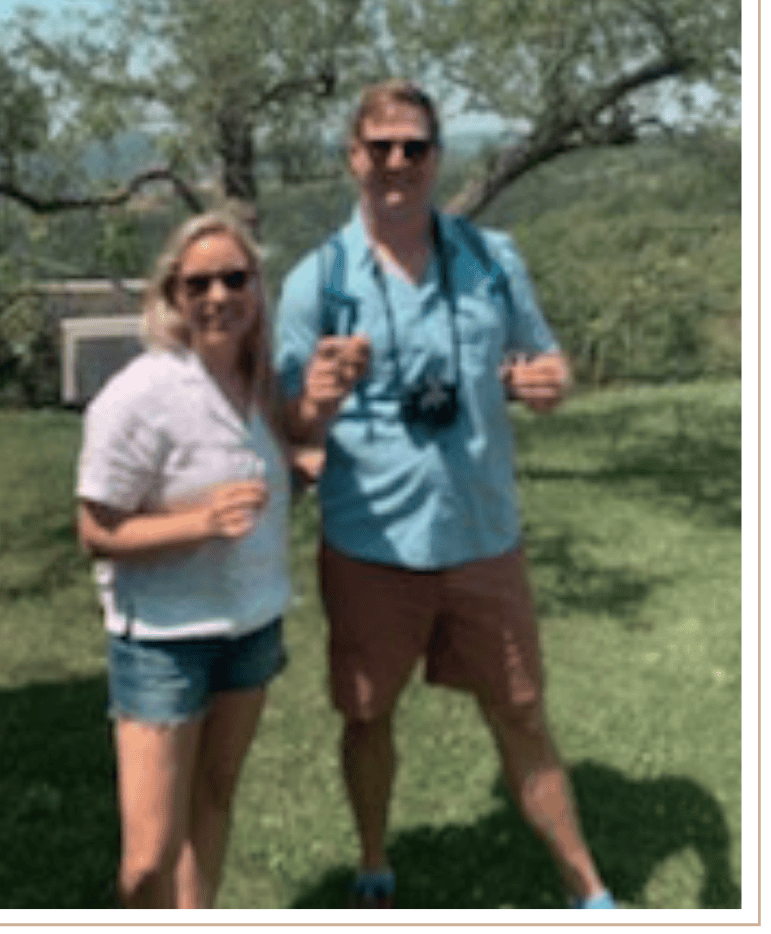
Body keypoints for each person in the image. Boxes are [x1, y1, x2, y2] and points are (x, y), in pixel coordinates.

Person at [276, 79, 619, 912]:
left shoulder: (493, 260)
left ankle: (589, 891)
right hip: (371, 546)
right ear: (353, 157)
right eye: (381, 147)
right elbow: (286, 424)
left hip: (483, 537)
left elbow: (545, 358)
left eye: (415, 147)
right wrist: (315, 400)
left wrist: (553, 382)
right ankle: (373, 862)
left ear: (437, 158)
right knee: (367, 715)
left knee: (523, 714)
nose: (397, 162)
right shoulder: (316, 282)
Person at [75, 209, 295, 910]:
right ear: (172, 295)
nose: (218, 296)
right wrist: (200, 522)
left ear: (256, 286)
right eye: (198, 283)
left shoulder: (263, 384)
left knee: (214, 802)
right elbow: (95, 529)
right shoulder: (141, 395)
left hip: (251, 628)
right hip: (163, 641)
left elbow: (283, 468)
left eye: (235, 278)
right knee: (148, 861)